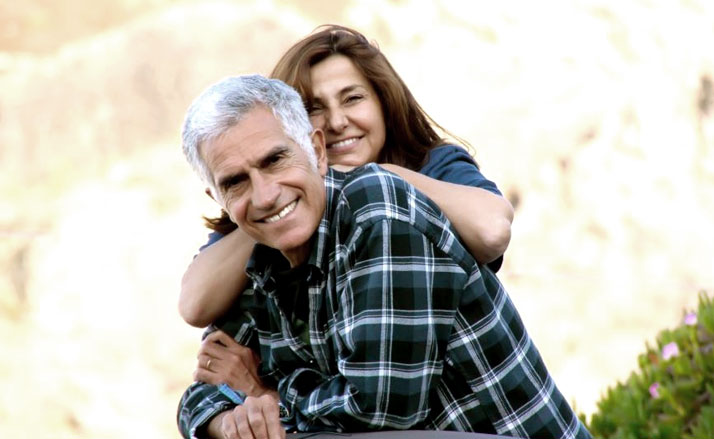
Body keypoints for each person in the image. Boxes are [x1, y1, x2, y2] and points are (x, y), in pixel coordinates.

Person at [177, 74, 591, 439]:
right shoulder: (259, 251)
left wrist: (263, 394)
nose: (265, 195)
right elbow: (200, 393)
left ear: (318, 152)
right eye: (236, 182)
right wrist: (227, 421)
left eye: (275, 160)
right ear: (218, 198)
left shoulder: (374, 207)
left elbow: (382, 410)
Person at [178, 25, 514, 329]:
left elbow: (492, 231)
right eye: (313, 108)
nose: (337, 122)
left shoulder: (430, 165)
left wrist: (377, 176)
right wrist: (281, 207)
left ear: (384, 103)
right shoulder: (266, 194)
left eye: (352, 98)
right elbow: (195, 305)